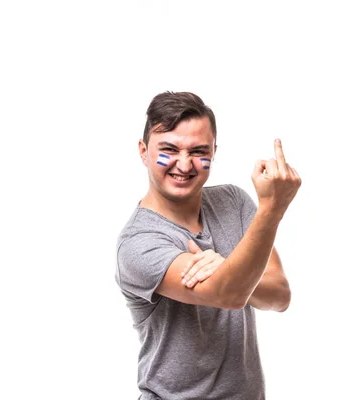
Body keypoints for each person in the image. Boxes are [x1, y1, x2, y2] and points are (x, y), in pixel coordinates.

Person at [115, 91, 301, 400]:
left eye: (199, 151)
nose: (184, 164)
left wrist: (229, 271)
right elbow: (228, 294)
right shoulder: (139, 242)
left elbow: (280, 296)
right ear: (143, 151)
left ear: (214, 152)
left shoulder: (233, 201)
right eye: (169, 150)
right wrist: (272, 209)